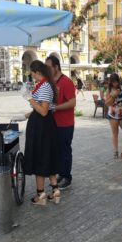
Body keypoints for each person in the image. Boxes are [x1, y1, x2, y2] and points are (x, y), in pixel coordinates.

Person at [23, 60, 61, 205]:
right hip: (44, 124)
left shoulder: (45, 86)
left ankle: (41, 195)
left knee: (40, 157)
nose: (31, 76)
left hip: (41, 126)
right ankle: (55, 190)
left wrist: (29, 98)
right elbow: (43, 108)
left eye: (32, 73)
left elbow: (44, 111)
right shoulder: (45, 85)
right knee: (48, 156)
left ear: (37, 72)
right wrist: (29, 114)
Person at [46, 56, 76, 190]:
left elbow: (72, 102)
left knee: (65, 150)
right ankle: (61, 174)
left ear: (56, 67)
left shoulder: (67, 82)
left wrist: (55, 108)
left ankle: (67, 177)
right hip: (53, 123)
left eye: (49, 67)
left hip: (65, 124)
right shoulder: (50, 82)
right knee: (57, 151)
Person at [105, 73, 122, 159]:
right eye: (113, 82)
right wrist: (113, 95)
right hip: (113, 115)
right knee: (115, 133)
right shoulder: (109, 90)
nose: (115, 84)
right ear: (111, 82)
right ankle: (116, 151)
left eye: (116, 82)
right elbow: (107, 103)